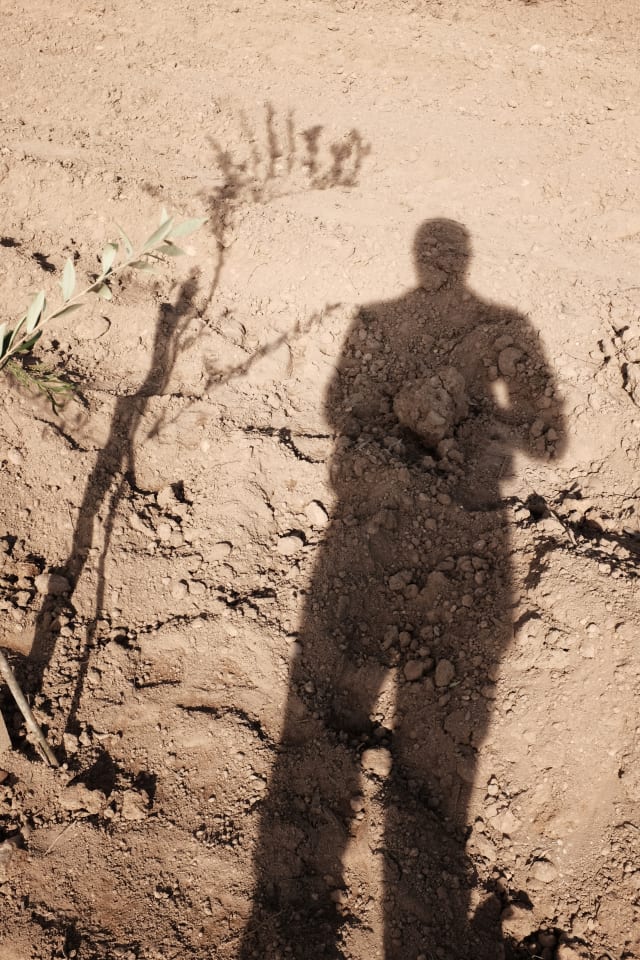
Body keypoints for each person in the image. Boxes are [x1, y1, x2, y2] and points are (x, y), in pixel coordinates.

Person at [239, 219, 565, 959]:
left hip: (424, 540)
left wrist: (462, 419)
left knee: (424, 727)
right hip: (425, 539)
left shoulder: (386, 322)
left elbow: (340, 411)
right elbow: (547, 439)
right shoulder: (487, 325)